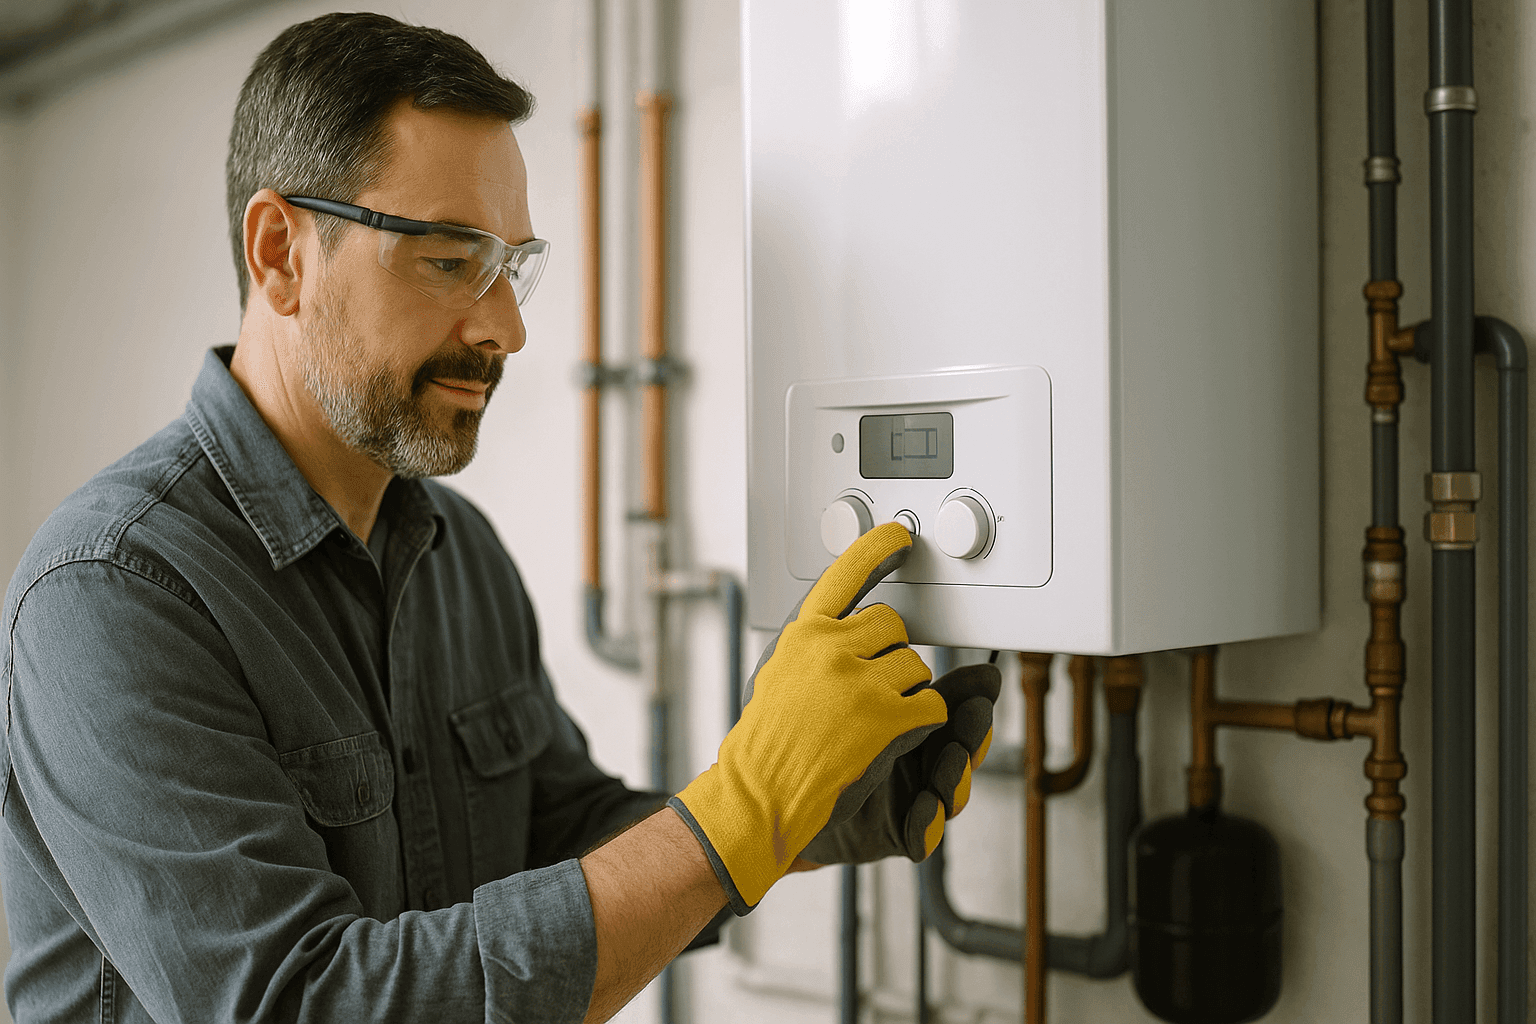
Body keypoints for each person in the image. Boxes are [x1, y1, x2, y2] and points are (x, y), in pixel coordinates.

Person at [0, 13, 999, 1024]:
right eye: (447, 260)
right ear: (280, 254)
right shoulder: (112, 590)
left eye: (512, 266)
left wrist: (805, 804)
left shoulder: (454, 552)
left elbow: (558, 835)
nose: (507, 329)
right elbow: (300, 1002)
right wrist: (741, 813)